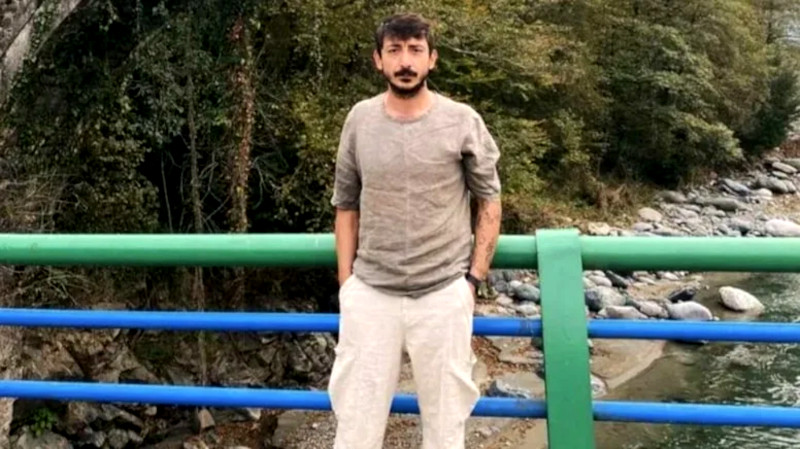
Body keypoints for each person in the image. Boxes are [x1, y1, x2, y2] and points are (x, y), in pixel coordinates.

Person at [328, 12, 502, 449]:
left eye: (415, 50)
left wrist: (472, 282)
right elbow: (345, 206)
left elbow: (490, 201)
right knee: (355, 430)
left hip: (443, 294)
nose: (405, 61)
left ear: (432, 59)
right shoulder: (359, 120)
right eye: (395, 50)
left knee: (445, 432)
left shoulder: (462, 120)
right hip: (371, 295)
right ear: (378, 59)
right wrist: (348, 286)